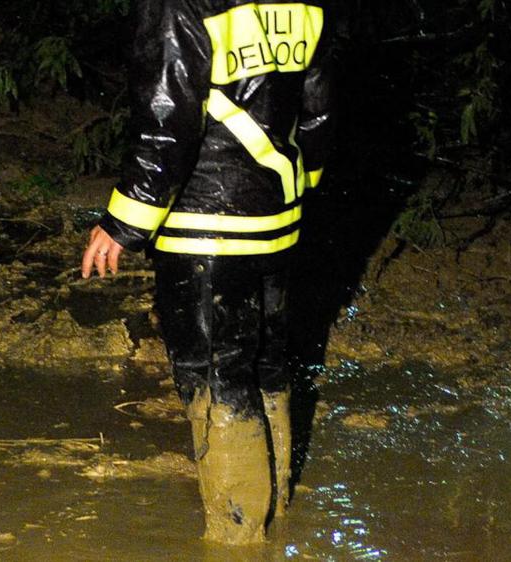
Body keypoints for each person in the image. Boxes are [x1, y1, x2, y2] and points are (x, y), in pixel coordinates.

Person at [81, 0, 333, 545]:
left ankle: (236, 541)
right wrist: (302, 180)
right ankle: (278, 516)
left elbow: (167, 118)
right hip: (278, 214)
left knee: (217, 378)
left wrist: (124, 220)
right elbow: (315, 106)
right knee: (266, 364)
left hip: (206, 222)